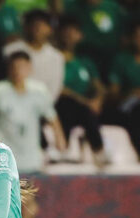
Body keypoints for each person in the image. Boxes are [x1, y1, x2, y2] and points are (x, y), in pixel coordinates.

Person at [0, 51, 67, 174]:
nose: (17, 71)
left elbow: (52, 117)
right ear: (8, 69)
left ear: (29, 68)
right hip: (3, 161)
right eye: (14, 67)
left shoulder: (39, 91)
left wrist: (60, 139)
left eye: (22, 67)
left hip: (32, 161)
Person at [56, 15, 108, 165]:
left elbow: (99, 86)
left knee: (91, 112)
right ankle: (95, 149)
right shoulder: (55, 59)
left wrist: (98, 100)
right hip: (63, 105)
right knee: (73, 107)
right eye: (66, 31)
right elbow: (59, 88)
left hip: (86, 108)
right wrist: (86, 102)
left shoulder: (85, 61)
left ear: (80, 36)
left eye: (73, 32)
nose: (69, 36)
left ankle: (100, 152)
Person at [3, 9, 64, 102]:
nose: (38, 28)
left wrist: (40, 106)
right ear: (26, 27)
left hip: (42, 105)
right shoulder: (10, 50)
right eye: (35, 24)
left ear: (50, 29)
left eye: (43, 25)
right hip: (11, 102)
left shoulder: (57, 57)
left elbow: (54, 88)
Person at [65, 0, 127, 79]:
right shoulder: (73, 6)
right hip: (84, 55)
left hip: (111, 58)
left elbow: (123, 36)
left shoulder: (113, 7)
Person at [108, 21, 140, 157]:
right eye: (137, 36)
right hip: (128, 105)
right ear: (132, 38)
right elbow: (114, 93)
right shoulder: (121, 60)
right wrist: (132, 93)